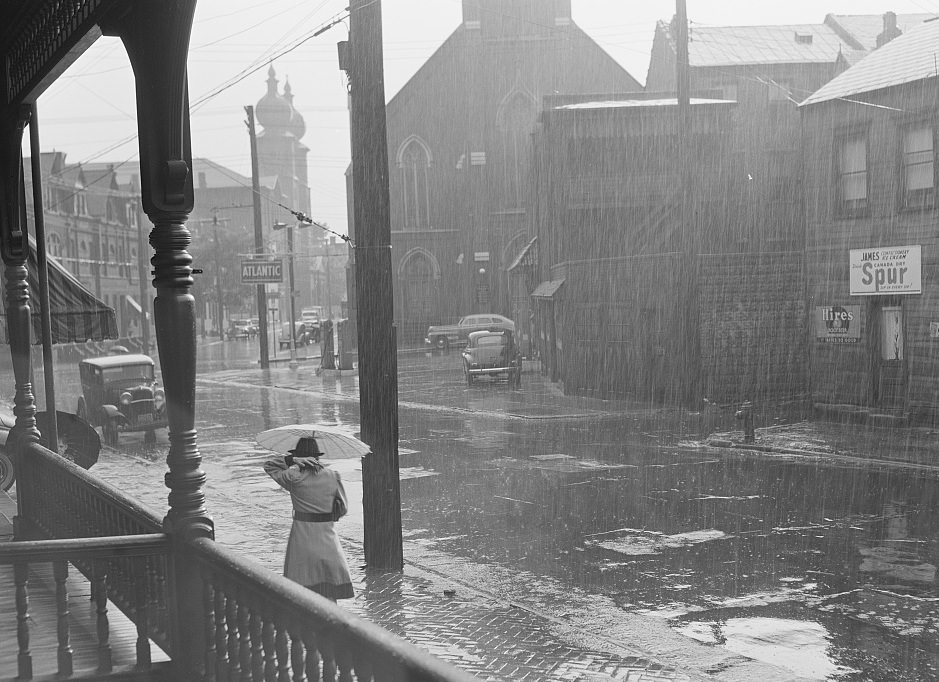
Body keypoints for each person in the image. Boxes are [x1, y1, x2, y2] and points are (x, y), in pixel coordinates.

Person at [263, 436, 354, 600]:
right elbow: (343, 508)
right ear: (317, 456)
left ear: (299, 456)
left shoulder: (292, 478)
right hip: (328, 539)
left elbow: (269, 465)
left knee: (301, 594)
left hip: (301, 540)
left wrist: (293, 461)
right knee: (329, 591)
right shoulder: (333, 476)